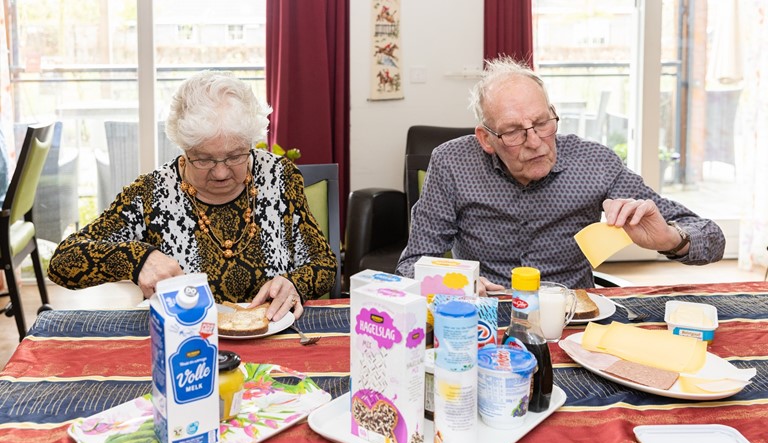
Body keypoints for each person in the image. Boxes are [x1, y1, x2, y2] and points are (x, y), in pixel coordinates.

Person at [396, 56, 725, 293]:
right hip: (484, 315)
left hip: (574, 318)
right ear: (486, 139)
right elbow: (412, 263)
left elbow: (712, 240)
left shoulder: (594, 162)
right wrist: (455, 284)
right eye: (513, 132)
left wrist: (670, 238)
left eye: (542, 123)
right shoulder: (452, 163)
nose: (536, 142)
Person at [48, 71, 337, 320]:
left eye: (236, 155)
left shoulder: (279, 177)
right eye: (204, 159)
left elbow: (323, 263)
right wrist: (136, 259)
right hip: (184, 348)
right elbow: (62, 263)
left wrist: (294, 283)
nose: (221, 172)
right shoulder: (152, 194)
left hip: (273, 339)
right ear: (184, 148)